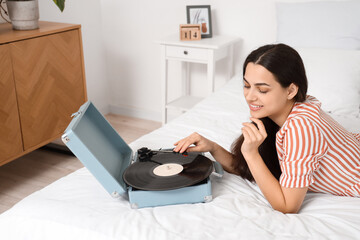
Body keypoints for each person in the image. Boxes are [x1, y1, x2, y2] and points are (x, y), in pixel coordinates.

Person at [173, 43, 360, 214]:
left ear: (291, 91)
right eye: (246, 86)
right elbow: (248, 169)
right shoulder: (286, 110)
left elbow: (287, 206)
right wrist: (212, 147)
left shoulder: (301, 128)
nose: (250, 97)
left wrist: (251, 153)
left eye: (262, 90)